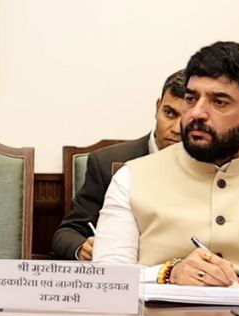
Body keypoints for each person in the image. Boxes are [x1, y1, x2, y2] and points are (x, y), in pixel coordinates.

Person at [93, 42, 239, 291]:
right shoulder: (131, 179)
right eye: (191, 98)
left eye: (219, 102)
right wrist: (167, 274)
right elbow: (107, 281)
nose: (196, 113)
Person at [51, 70, 187, 260]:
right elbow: (67, 232)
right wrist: (81, 247)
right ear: (157, 108)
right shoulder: (107, 162)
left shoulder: (209, 166)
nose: (176, 128)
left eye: (188, 119)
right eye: (169, 113)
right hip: (120, 276)